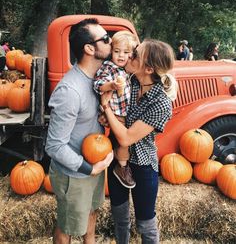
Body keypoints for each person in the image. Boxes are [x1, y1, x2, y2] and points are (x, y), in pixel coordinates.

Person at [100, 39, 178, 244]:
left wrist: (106, 109)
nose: (129, 56)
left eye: (135, 54)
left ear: (149, 68)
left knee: (145, 222)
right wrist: (106, 116)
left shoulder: (161, 103)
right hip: (117, 157)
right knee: (119, 216)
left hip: (142, 164)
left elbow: (126, 136)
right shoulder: (129, 81)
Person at [45, 18, 114, 244]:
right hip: (74, 174)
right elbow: (54, 145)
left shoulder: (97, 80)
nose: (110, 41)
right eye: (105, 38)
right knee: (68, 227)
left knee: (91, 214)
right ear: (89, 49)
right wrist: (90, 168)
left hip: (93, 167)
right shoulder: (69, 91)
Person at [94, 30, 138, 189]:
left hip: (124, 111)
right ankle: (122, 167)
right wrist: (111, 85)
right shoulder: (109, 67)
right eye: (117, 51)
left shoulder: (126, 68)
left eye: (126, 52)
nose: (121, 56)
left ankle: (124, 162)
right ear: (111, 51)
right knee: (123, 140)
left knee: (125, 140)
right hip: (116, 113)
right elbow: (98, 85)